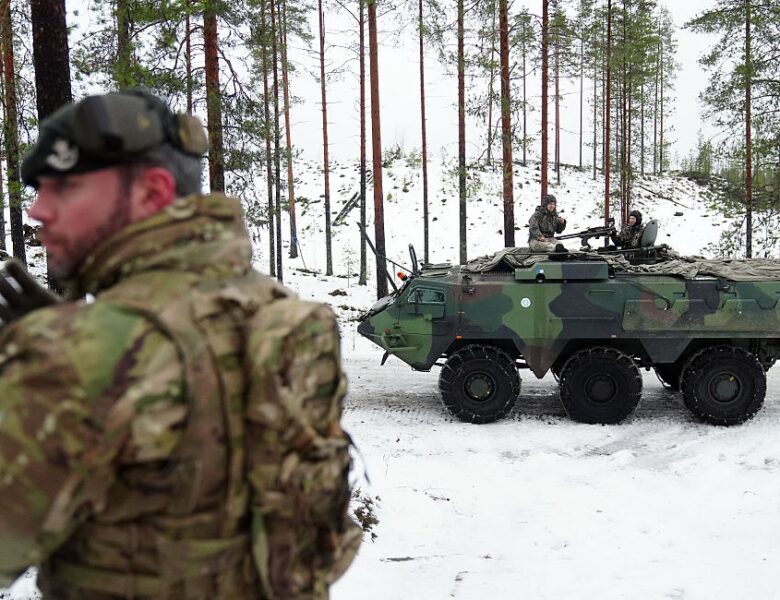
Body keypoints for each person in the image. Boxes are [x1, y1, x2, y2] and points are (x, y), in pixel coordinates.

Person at [0, 89, 360, 599]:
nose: (37, 210)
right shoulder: (271, 305)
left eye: (65, 187)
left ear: (151, 193)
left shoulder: (79, 355)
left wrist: (48, 362)